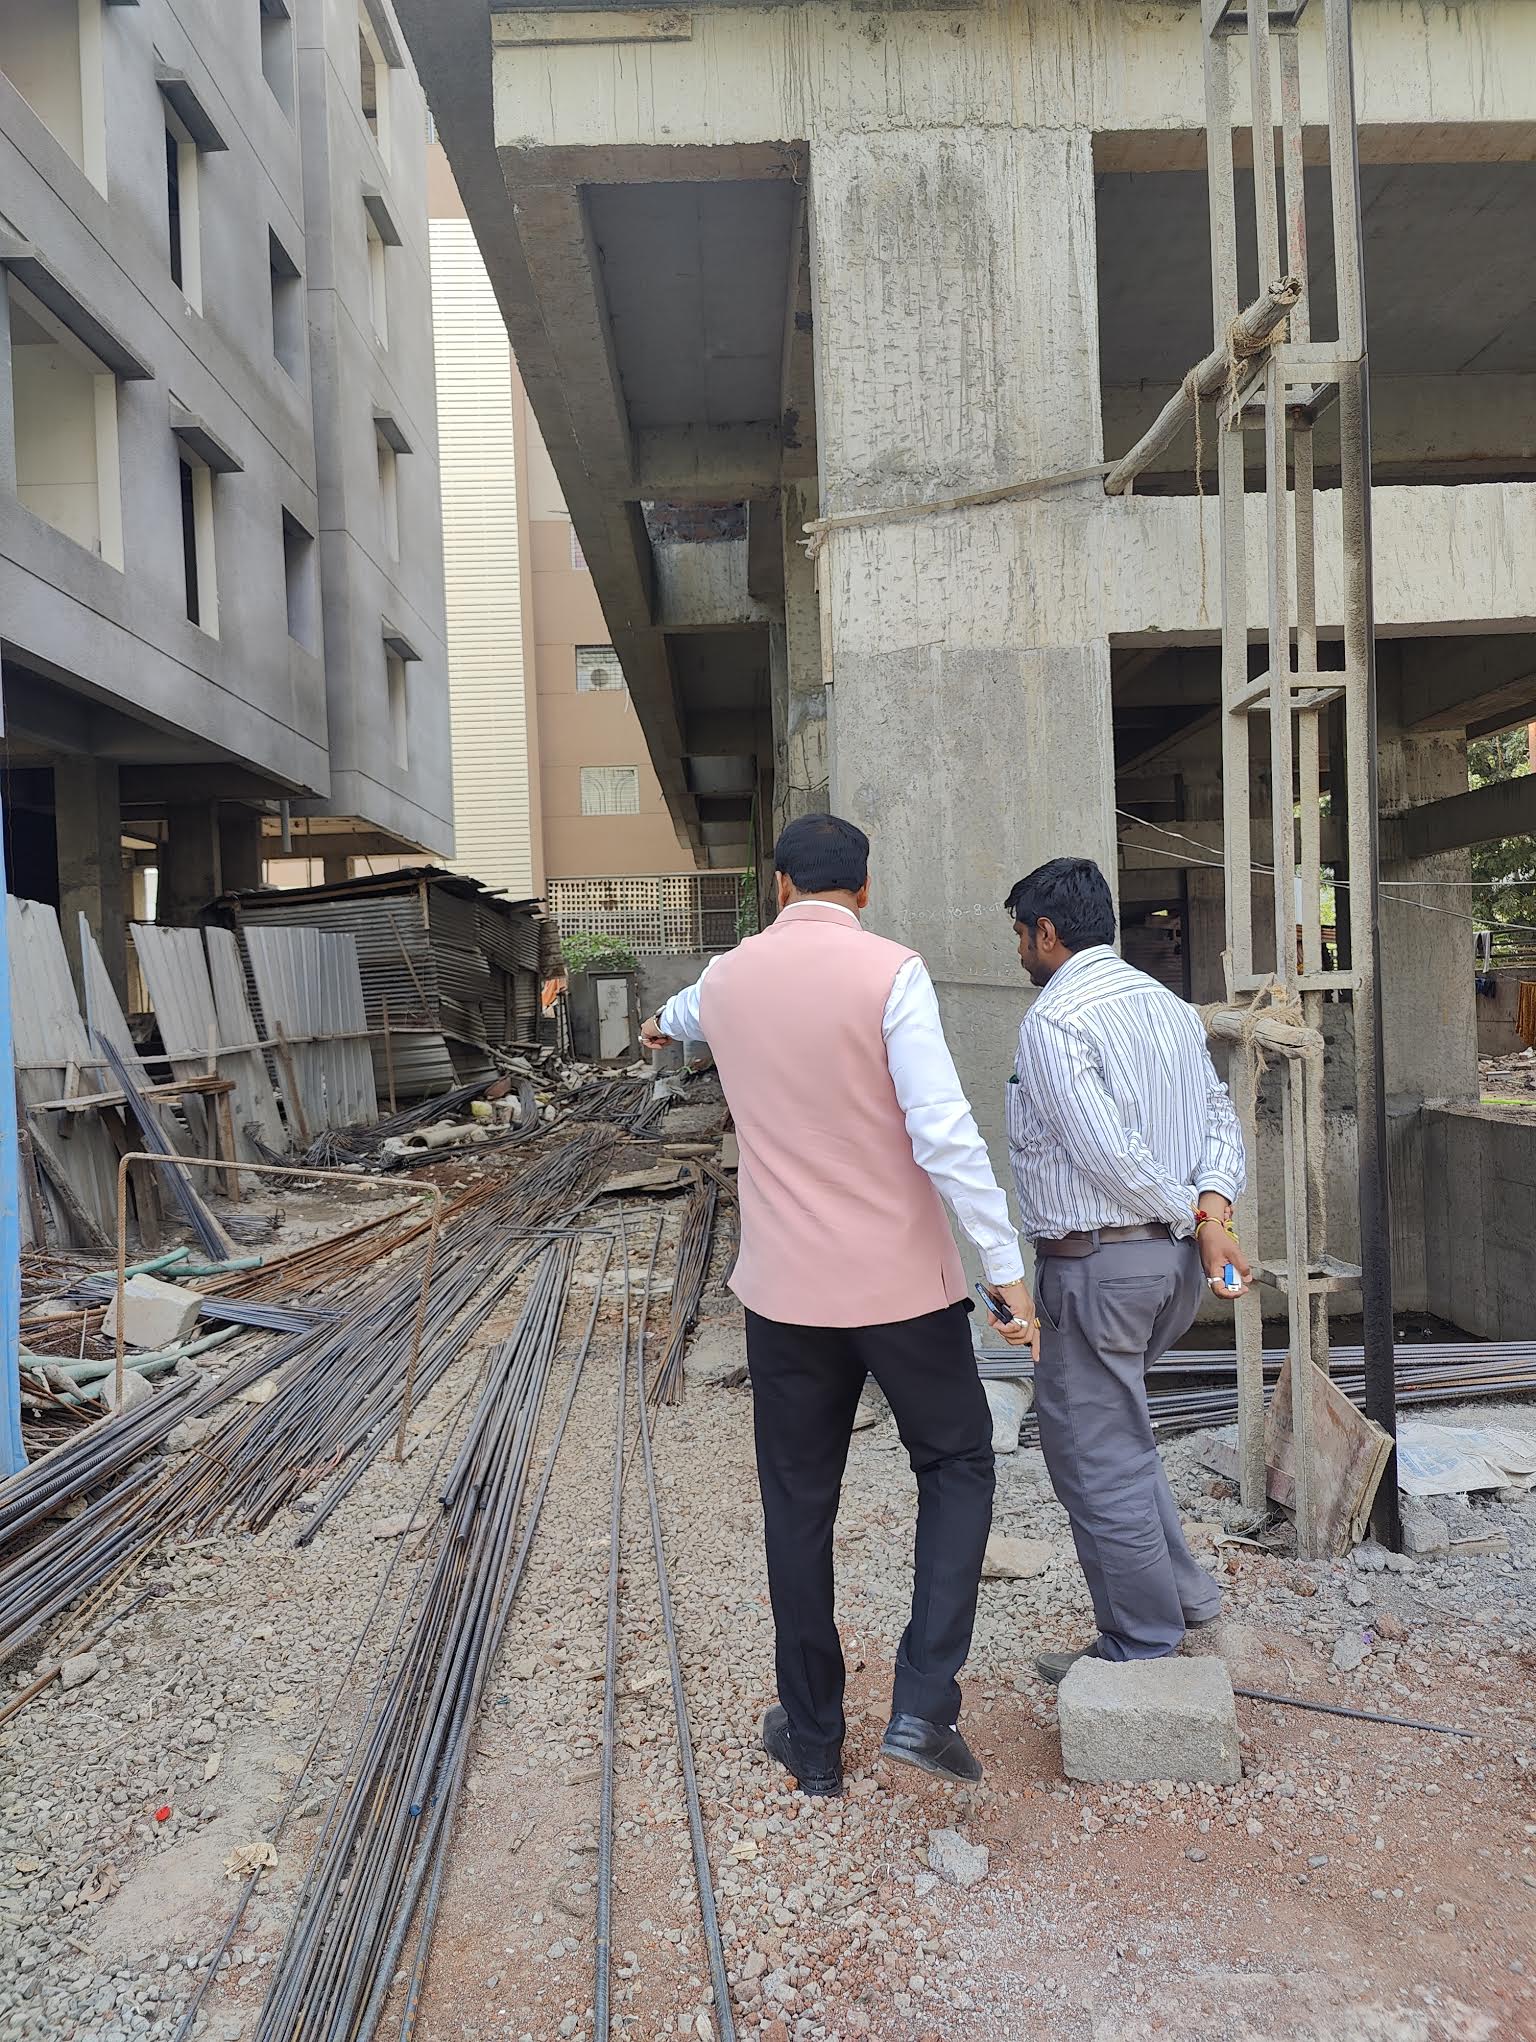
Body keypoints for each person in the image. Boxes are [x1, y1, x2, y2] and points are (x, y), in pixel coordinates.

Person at [641, 814, 1036, 1797]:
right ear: (864, 890)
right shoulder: (891, 973)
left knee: (797, 1501)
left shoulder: (726, 980)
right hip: (902, 1290)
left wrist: (659, 1025)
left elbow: (678, 1013)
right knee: (955, 1463)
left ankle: (814, 1740)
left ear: (778, 886)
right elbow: (942, 1128)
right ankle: (923, 1705)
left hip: (784, 1296)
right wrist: (1003, 1264)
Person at [1001, 856, 1252, 1681]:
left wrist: (1194, 1215)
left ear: (1046, 932)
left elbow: (1106, 1154)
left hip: (1102, 1265)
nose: (1020, 953)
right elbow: (1220, 1121)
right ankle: (1184, 1596)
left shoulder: (1056, 1021)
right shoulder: (1169, 1008)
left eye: (1021, 936)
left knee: (1094, 1457)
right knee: (1120, 1434)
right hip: (1170, 1269)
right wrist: (1210, 1212)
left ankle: (1140, 1644)